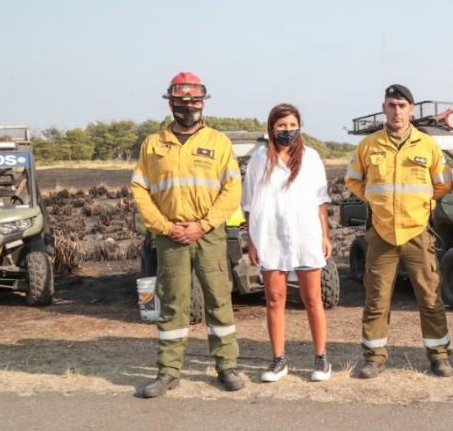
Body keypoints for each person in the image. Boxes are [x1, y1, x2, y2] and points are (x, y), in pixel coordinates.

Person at [131, 71, 245, 398]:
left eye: (194, 100)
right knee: (172, 303)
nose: (187, 106)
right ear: (170, 103)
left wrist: (203, 224)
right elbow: (140, 190)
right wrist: (165, 227)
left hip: (208, 233)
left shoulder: (218, 142)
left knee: (219, 299)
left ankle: (227, 366)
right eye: (181, 101)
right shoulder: (153, 145)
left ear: (203, 103)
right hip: (169, 235)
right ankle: (168, 372)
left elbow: (231, 190)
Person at [345, 84, 453, 379]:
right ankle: (374, 357)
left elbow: (443, 184)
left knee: (430, 296)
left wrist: (424, 204)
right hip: (381, 233)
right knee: (376, 298)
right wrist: (376, 202)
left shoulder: (427, 145)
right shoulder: (369, 145)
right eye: (391, 105)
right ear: (384, 108)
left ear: (410, 109)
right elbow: (354, 180)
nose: (396, 111)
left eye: (402, 105)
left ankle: (439, 355)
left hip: (418, 231)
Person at [242, 104, 333, 383]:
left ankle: (321, 358)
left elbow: (321, 201)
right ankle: (279, 360)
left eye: (292, 125)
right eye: (281, 126)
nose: (287, 131)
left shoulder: (312, 157)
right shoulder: (258, 160)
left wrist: (324, 235)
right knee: (274, 299)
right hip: (271, 237)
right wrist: (252, 241)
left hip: (306, 236)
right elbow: (248, 204)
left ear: (299, 127)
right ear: (271, 128)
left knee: (312, 298)